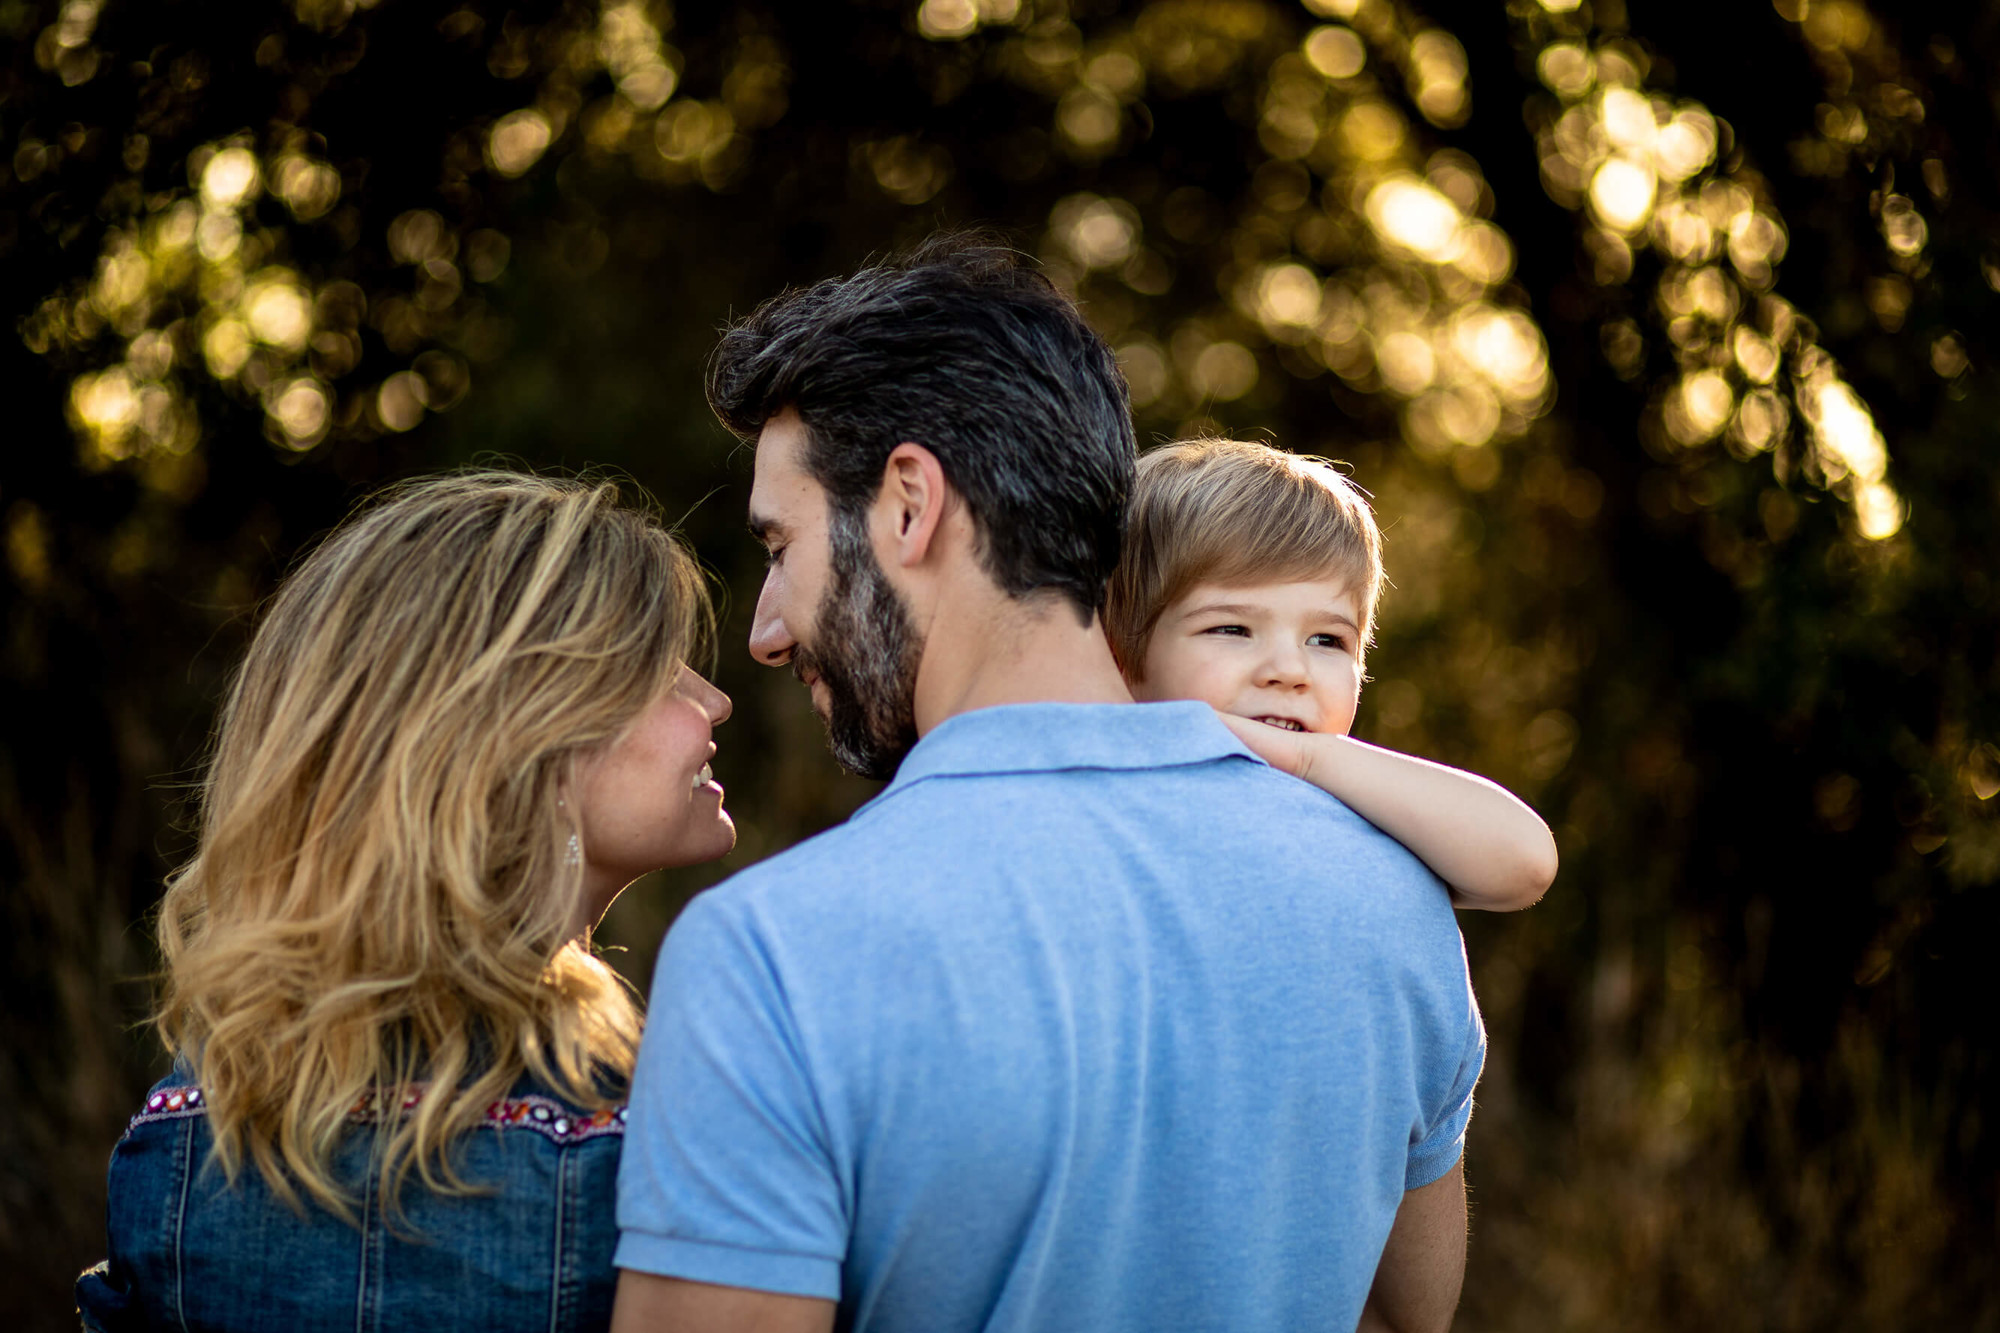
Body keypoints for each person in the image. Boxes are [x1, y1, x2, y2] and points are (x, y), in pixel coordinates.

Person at [611, 237, 1488, 1333]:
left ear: (907, 505)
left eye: (782, 549)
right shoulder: (1390, 897)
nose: (769, 631)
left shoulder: (772, 951)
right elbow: (1411, 1310)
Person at [77, 472, 734, 1332]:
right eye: (661, 670)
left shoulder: (183, 1134)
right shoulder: (644, 1147)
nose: (713, 701)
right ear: (523, 735)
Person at [1107, 436, 1557, 912]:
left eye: (1326, 640)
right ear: (1120, 654)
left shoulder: (1361, 801)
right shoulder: (1108, 796)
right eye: (1233, 629)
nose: (1289, 671)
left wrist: (1308, 759)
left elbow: (1525, 863)